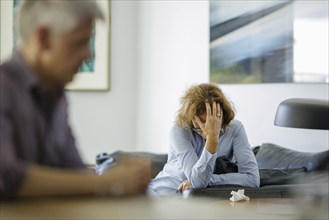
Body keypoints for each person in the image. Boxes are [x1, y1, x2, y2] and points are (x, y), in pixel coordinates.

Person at [0, 0, 150, 198]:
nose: (87, 54)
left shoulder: (55, 95)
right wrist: (106, 181)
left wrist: (124, 180)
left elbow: (74, 170)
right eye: (78, 43)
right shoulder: (5, 87)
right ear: (43, 39)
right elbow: (7, 177)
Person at [148, 83, 260, 196]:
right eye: (199, 128)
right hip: (160, 194)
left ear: (222, 116)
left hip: (195, 200)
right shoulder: (179, 129)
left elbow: (253, 179)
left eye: (214, 125)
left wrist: (211, 180)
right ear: (191, 119)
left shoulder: (235, 129)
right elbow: (198, 181)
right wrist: (212, 139)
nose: (205, 131)